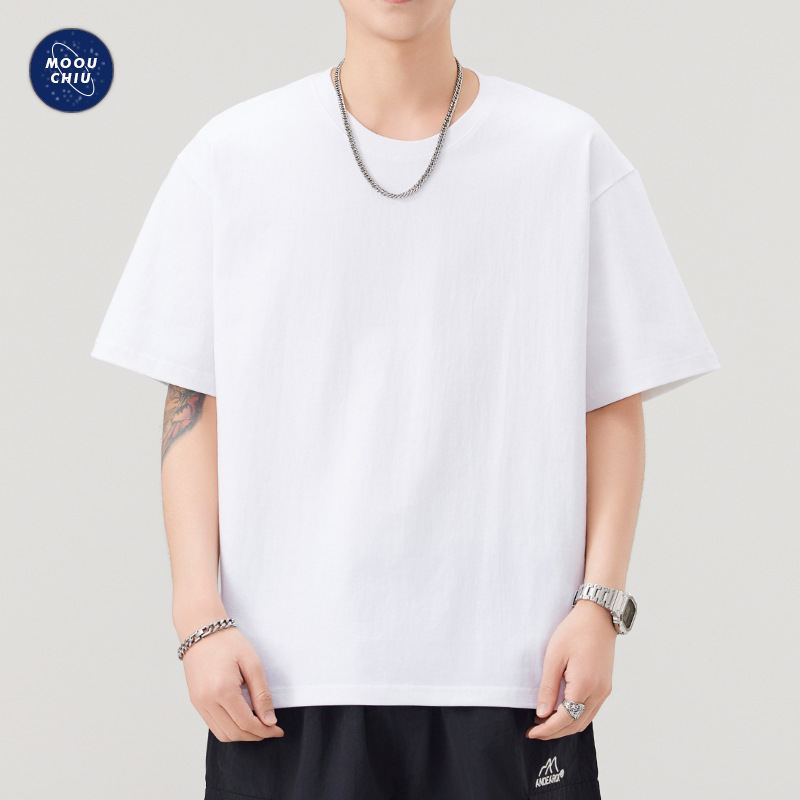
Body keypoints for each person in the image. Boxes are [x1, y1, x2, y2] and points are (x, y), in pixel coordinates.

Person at [90, 2, 721, 798]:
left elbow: (611, 400)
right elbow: (192, 397)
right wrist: (197, 619)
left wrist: (600, 605)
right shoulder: (232, 156)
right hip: (286, 677)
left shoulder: (567, 153)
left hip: (514, 675)